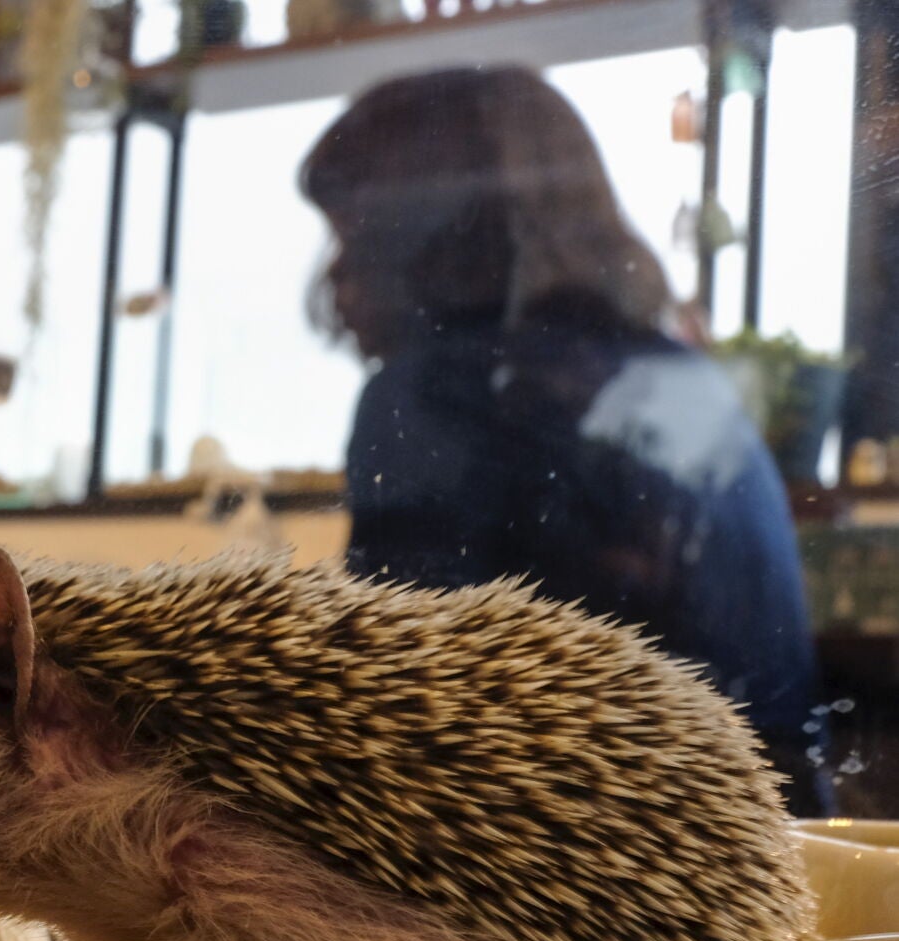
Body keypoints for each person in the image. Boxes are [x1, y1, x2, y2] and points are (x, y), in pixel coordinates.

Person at [300, 66, 828, 815]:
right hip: (777, 835)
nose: (337, 279)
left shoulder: (430, 393)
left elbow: (390, 719)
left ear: (428, 237)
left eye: (354, 236)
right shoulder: (684, 381)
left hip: (603, 843)